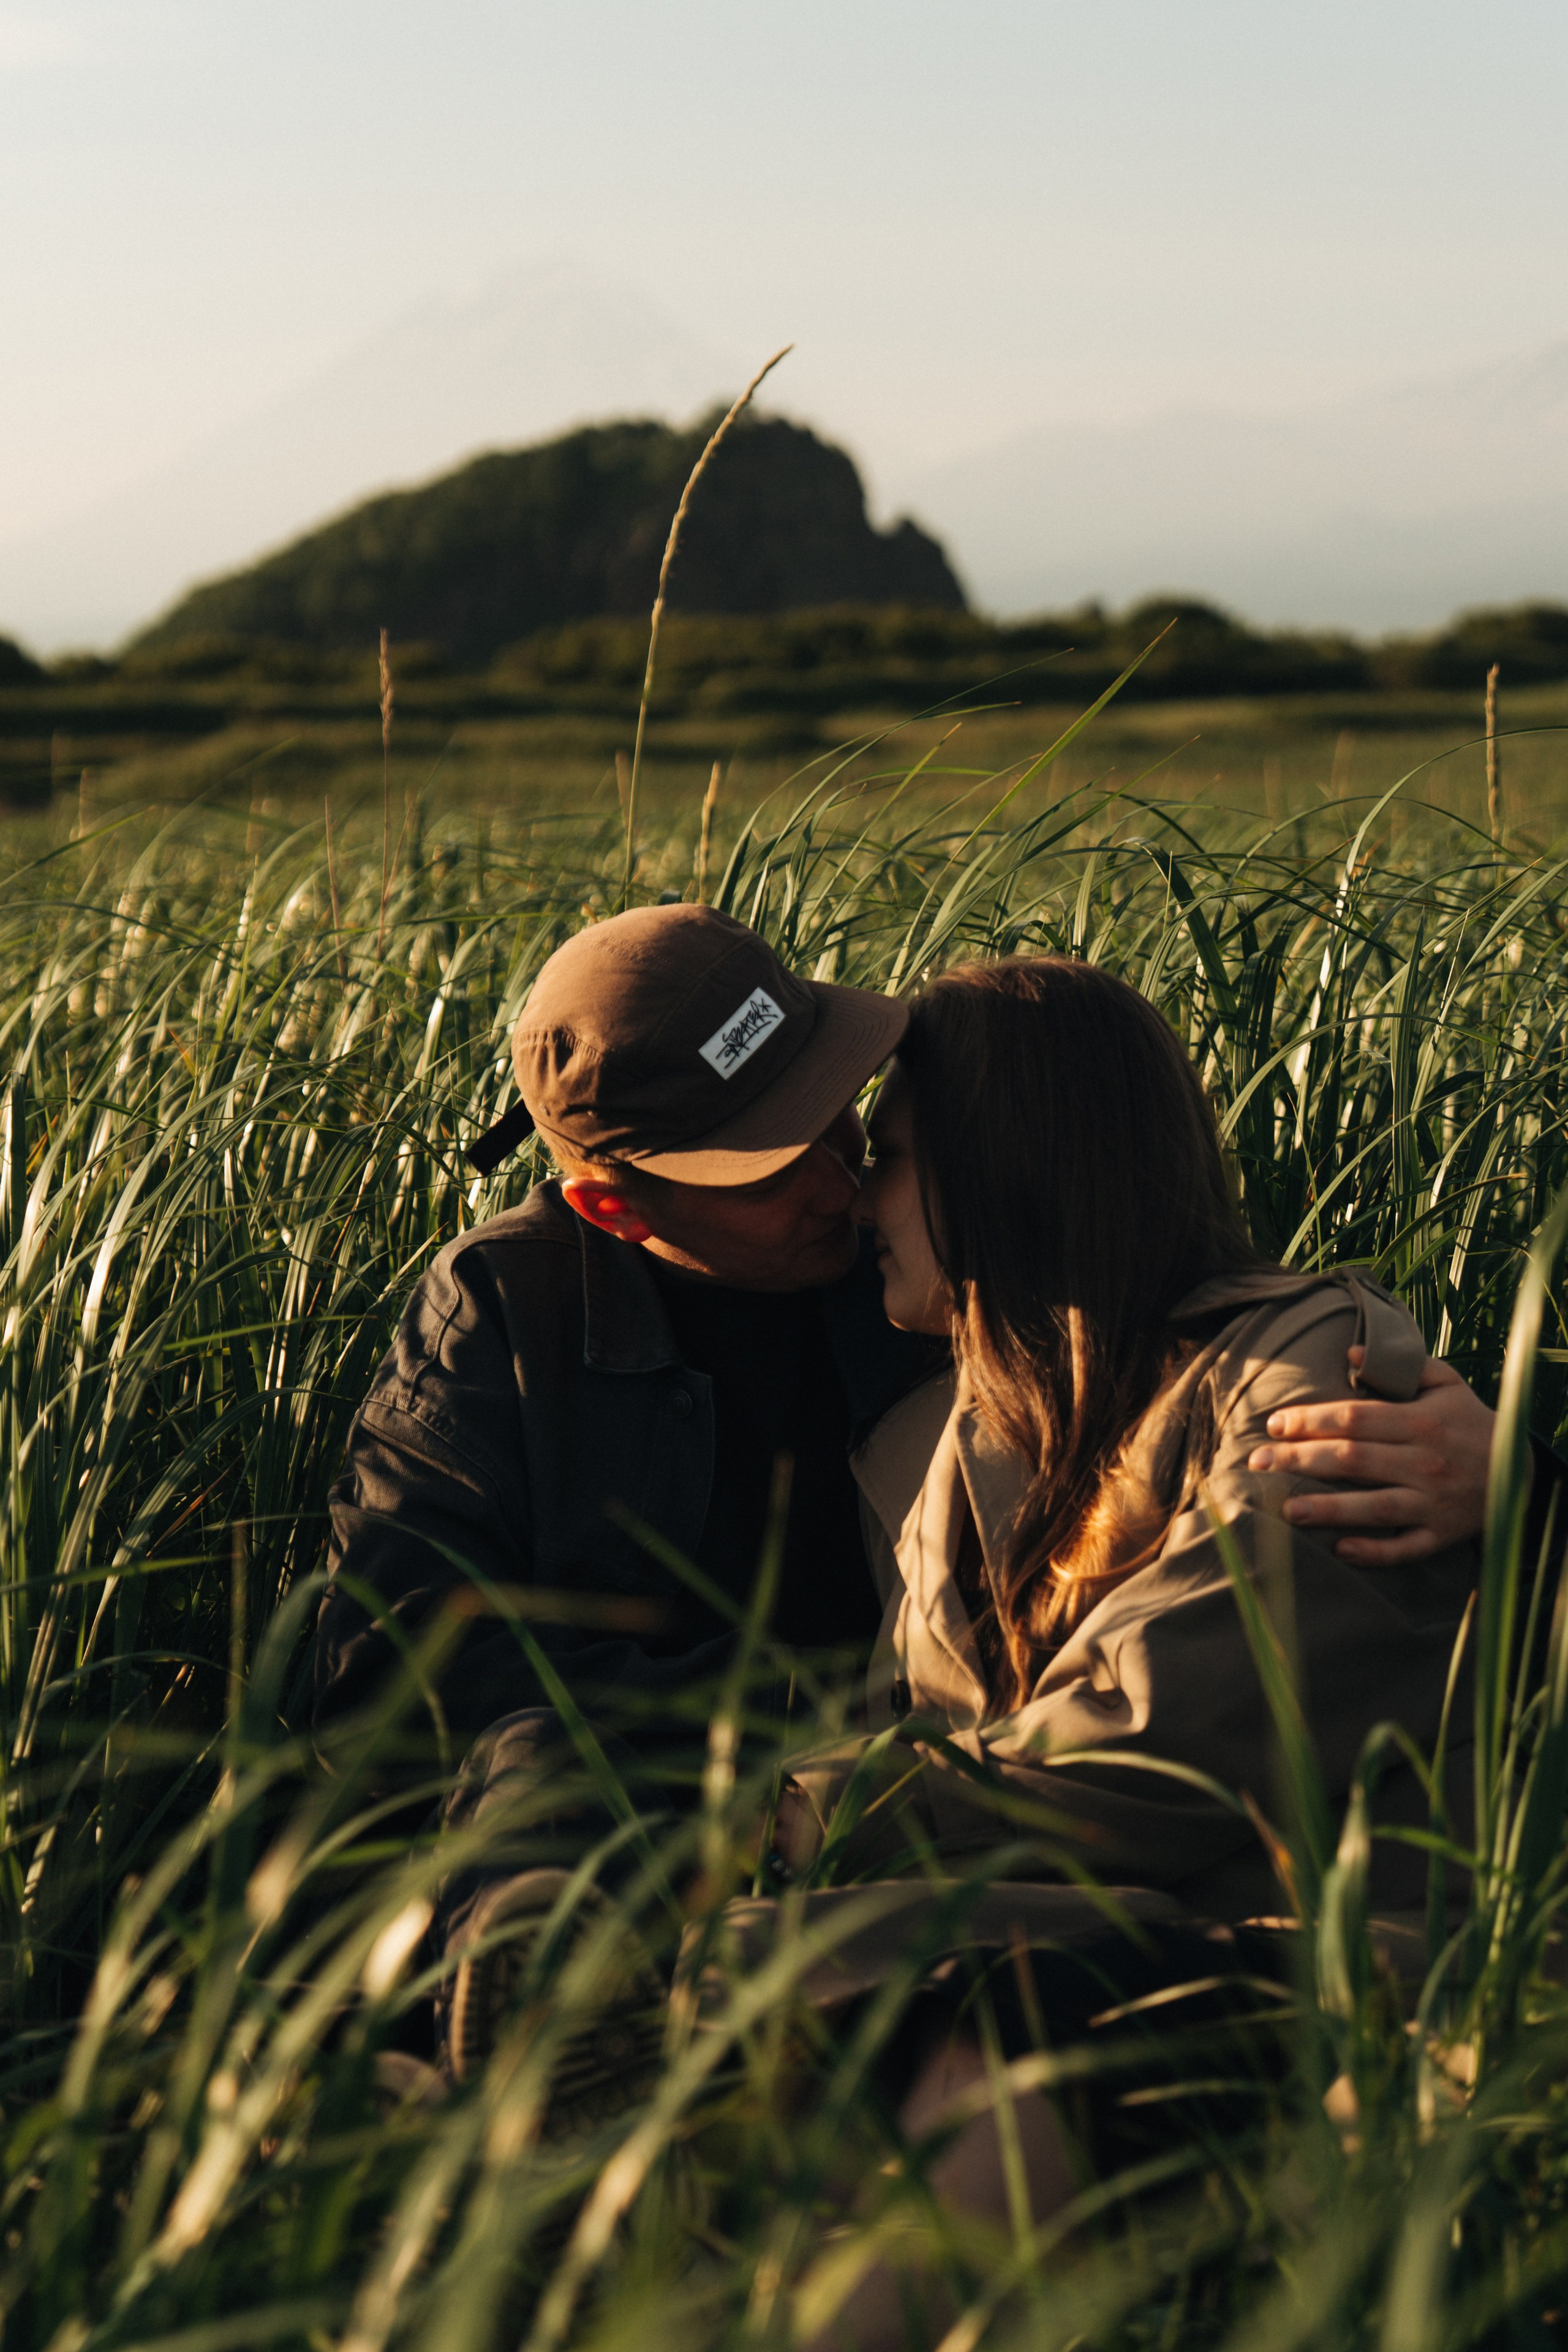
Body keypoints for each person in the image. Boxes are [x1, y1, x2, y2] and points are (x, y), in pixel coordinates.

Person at [307, 906, 1502, 2095]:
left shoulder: (997, 1309)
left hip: (959, 1827)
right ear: (617, 1210)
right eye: (777, 1166)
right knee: (542, 1781)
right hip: (770, 1802)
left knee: (795, 1984)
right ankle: (523, 2065)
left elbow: (1192, 1646)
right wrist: (719, 1774)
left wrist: (1517, 1476)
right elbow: (395, 1675)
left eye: (844, 1117)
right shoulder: (510, 1315)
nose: (840, 1184)